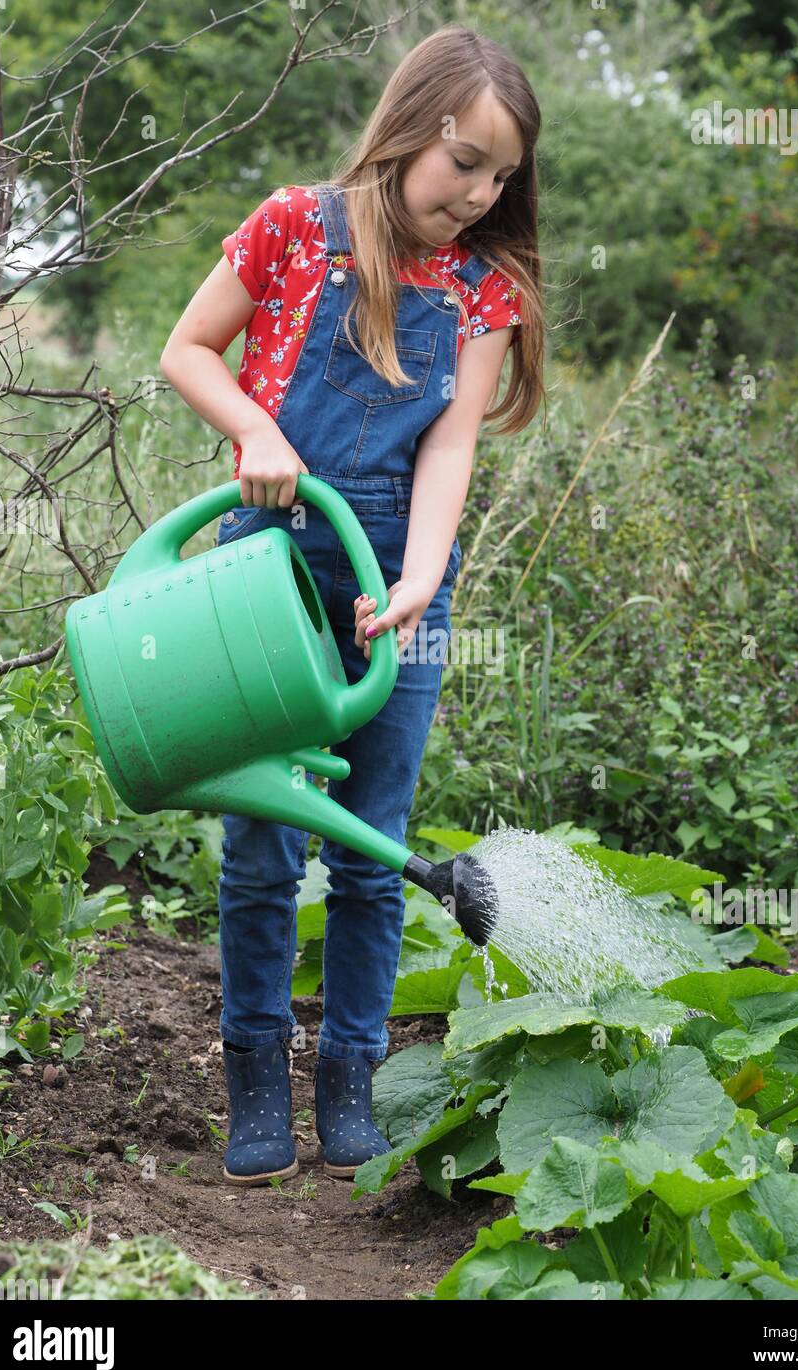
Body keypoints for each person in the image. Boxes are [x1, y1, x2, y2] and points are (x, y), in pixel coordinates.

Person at [159, 24, 544, 1185]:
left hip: (398, 588)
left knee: (374, 848)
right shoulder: (291, 226)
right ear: (410, 127)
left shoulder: (486, 291)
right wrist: (257, 432)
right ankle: (256, 1082)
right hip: (265, 572)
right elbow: (187, 350)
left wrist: (424, 572)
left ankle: (354, 1085)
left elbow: (452, 444)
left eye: (500, 177)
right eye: (464, 161)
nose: (478, 194)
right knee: (266, 840)